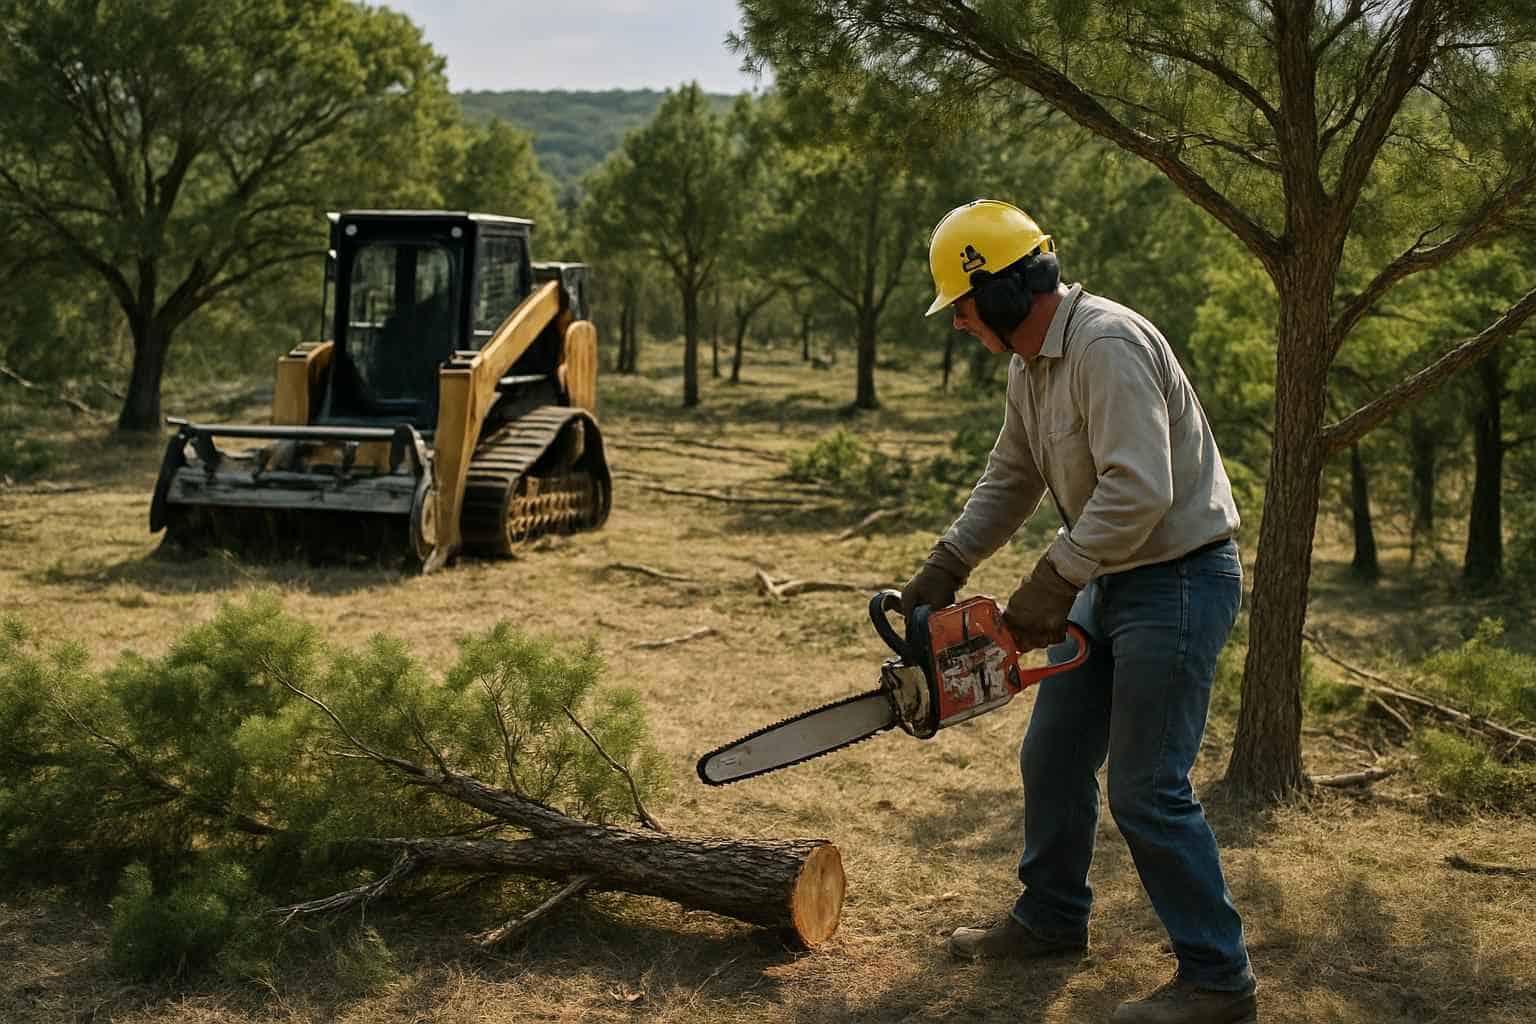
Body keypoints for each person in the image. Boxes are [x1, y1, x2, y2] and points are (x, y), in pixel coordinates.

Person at [901, 199, 1255, 1024]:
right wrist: (944, 565)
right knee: (1053, 757)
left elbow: (1141, 485)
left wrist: (1055, 578)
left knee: (1148, 789)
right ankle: (1053, 917)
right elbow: (1012, 477)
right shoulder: (1032, 367)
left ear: (995, 293)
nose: (956, 323)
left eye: (959, 304)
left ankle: (1217, 978)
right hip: (1111, 580)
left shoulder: (1106, 343)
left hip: (1177, 579)